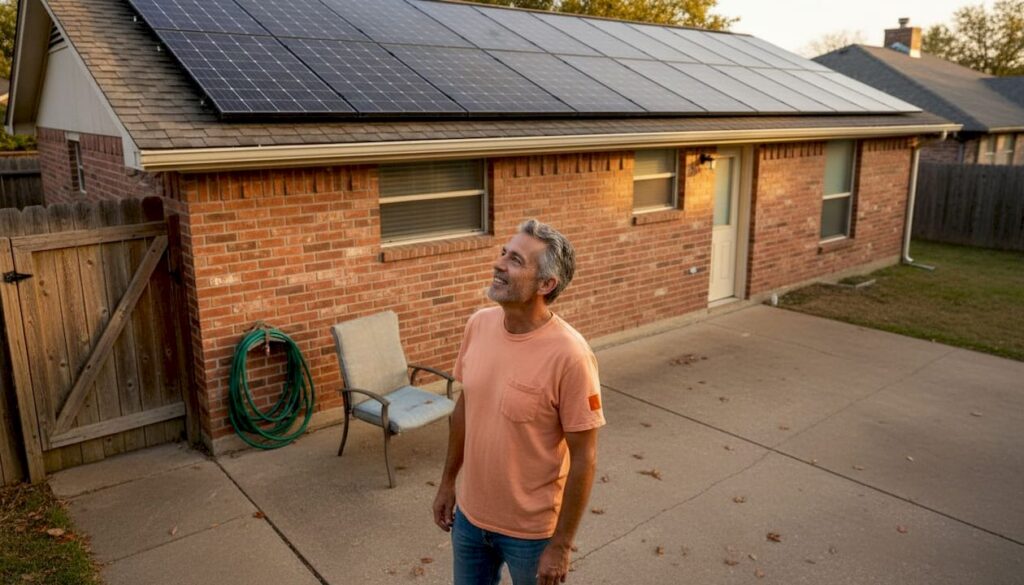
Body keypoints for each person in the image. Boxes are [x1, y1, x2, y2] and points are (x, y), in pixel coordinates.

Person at [432, 219, 606, 585]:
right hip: (469, 520)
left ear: (546, 284)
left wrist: (561, 544)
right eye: (503, 253)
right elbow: (466, 406)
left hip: (531, 535)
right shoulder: (478, 324)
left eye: (515, 260)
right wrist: (448, 481)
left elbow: (585, 458)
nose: (499, 264)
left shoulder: (571, 356)